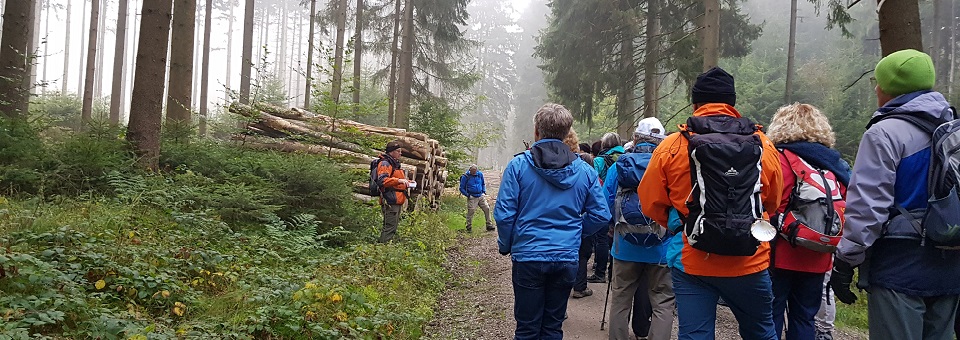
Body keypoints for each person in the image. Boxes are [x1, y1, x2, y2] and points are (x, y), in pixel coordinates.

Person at [638, 67, 783, 340]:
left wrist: (682, 220)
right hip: (750, 260)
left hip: (693, 260)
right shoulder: (762, 144)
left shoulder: (673, 145)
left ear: (695, 103)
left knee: (695, 336)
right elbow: (773, 200)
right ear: (732, 104)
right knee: (762, 332)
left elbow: (650, 202)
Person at [830, 49, 960, 340]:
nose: (876, 88)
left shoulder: (884, 133)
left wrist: (846, 260)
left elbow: (868, 207)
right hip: (951, 264)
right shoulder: (954, 128)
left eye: (878, 82)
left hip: (900, 267)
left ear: (889, 88)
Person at [495, 103, 611, 339]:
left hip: (528, 256)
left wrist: (507, 245)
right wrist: (576, 232)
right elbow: (601, 215)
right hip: (565, 257)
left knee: (527, 328)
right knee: (552, 327)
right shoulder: (585, 171)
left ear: (536, 131)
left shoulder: (518, 166)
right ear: (567, 132)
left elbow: (504, 214)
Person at [765, 103, 850, 340]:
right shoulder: (833, 163)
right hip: (819, 253)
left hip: (780, 253)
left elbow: (771, 203)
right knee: (804, 318)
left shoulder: (779, 159)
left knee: (770, 316)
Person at [603, 117, 674, 340]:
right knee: (662, 302)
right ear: (661, 141)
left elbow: (605, 202)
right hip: (660, 247)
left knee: (621, 300)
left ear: (634, 138)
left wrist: (611, 228)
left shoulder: (619, 166)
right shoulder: (669, 166)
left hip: (624, 245)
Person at [375, 141, 414, 243]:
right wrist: (399, 180)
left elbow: (396, 180)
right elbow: (382, 180)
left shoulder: (394, 163)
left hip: (396, 199)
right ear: (391, 152)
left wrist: (408, 182)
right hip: (389, 199)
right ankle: (382, 249)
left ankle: (385, 248)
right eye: (398, 151)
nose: (400, 153)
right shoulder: (385, 163)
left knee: (392, 226)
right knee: (389, 227)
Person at [459, 164, 493, 233]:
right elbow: (461, 188)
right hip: (472, 197)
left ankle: (489, 225)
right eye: (472, 171)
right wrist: (468, 195)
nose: (474, 173)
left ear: (477, 170)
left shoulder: (480, 174)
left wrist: (483, 191)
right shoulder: (465, 176)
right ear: (470, 170)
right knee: (471, 211)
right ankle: (469, 227)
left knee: (487, 208)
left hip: (480, 196)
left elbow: (483, 183)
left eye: (475, 171)